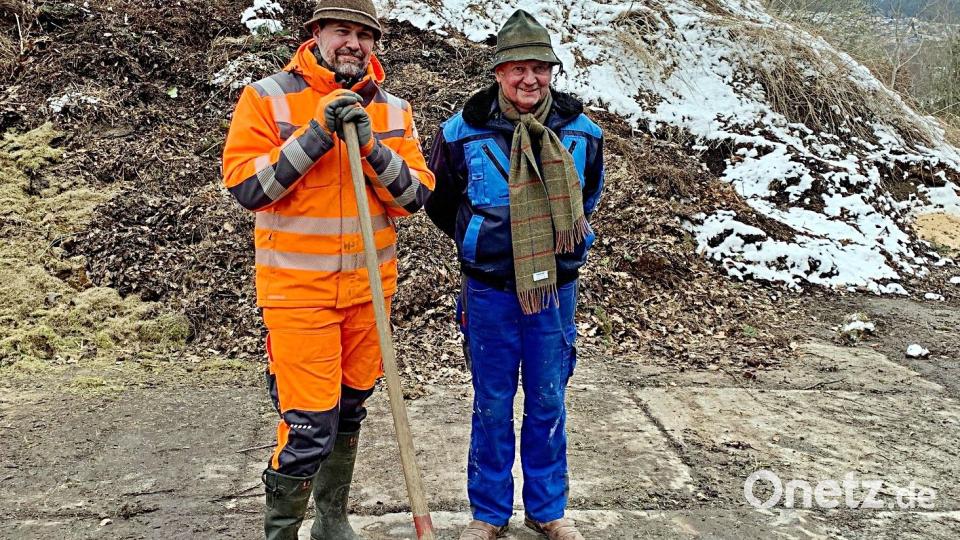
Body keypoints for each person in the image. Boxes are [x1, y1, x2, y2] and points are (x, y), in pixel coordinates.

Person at [221, 1, 434, 538]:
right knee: (308, 425)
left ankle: (331, 521)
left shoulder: (391, 109)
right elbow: (250, 188)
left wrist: (368, 147)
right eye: (343, 31)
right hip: (299, 296)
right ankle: (282, 532)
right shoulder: (267, 98)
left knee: (349, 413)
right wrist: (317, 133)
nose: (354, 44)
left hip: (368, 296)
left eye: (365, 35)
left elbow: (413, 196)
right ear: (316, 33)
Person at [425, 9, 604, 540]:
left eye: (540, 68)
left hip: (554, 291)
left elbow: (586, 197)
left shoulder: (581, 132)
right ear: (498, 72)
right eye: (518, 68)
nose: (530, 79)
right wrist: (483, 240)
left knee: (549, 398)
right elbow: (441, 201)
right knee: (493, 401)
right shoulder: (461, 132)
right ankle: (489, 514)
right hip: (489, 291)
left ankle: (547, 510)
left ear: (552, 71)